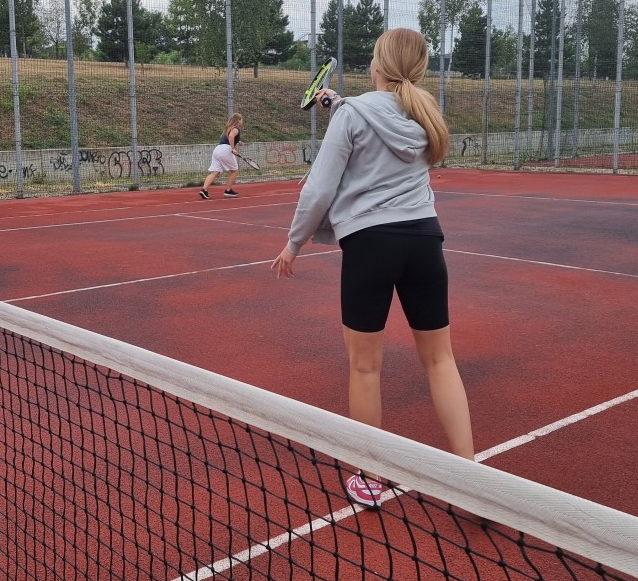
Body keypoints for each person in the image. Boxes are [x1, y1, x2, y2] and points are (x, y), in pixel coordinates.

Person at [270, 28, 474, 508]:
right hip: (425, 240)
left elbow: (320, 188)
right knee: (441, 360)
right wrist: (338, 104)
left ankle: (370, 476)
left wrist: (294, 243)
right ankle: (473, 482)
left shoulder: (353, 114)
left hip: (371, 244)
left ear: (377, 65)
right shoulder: (424, 113)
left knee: (365, 366)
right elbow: (381, 121)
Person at [200, 113, 244, 199]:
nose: (242, 122)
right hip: (225, 150)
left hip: (218, 150)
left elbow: (230, 137)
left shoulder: (229, 128)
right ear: (238, 121)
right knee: (234, 171)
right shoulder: (236, 129)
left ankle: (204, 190)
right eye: (242, 120)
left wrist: (238, 141)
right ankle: (228, 190)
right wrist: (233, 148)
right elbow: (231, 137)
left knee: (215, 172)